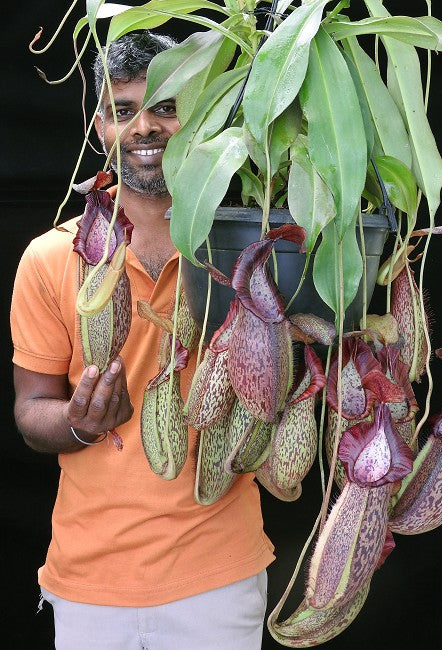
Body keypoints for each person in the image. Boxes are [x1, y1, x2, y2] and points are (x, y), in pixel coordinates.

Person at [10, 31, 274, 650]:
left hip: (219, 572)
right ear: (102, 125)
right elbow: (30, 410)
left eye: (165, 107)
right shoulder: (52, 259)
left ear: (199, 118)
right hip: (90, 576)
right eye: (124, 110)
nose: (144, 128)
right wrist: (80, 424)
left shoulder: (243, 250)